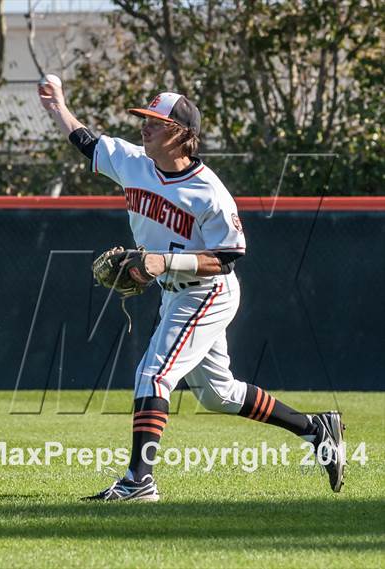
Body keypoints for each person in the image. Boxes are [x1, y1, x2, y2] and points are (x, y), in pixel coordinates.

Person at [38, 82, 345, 501]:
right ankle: (315, 427)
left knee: (154, 373)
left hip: (207, 291)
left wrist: (163, 262)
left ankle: (138, 482)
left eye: (156, 123)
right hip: (174, 292)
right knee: (218, 394)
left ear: (182, 133)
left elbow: (227, 257)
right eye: (143, 121)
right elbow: (87, 142)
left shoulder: (210, 192)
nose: (144, 128)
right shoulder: (134, 164)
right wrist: (59, 106)